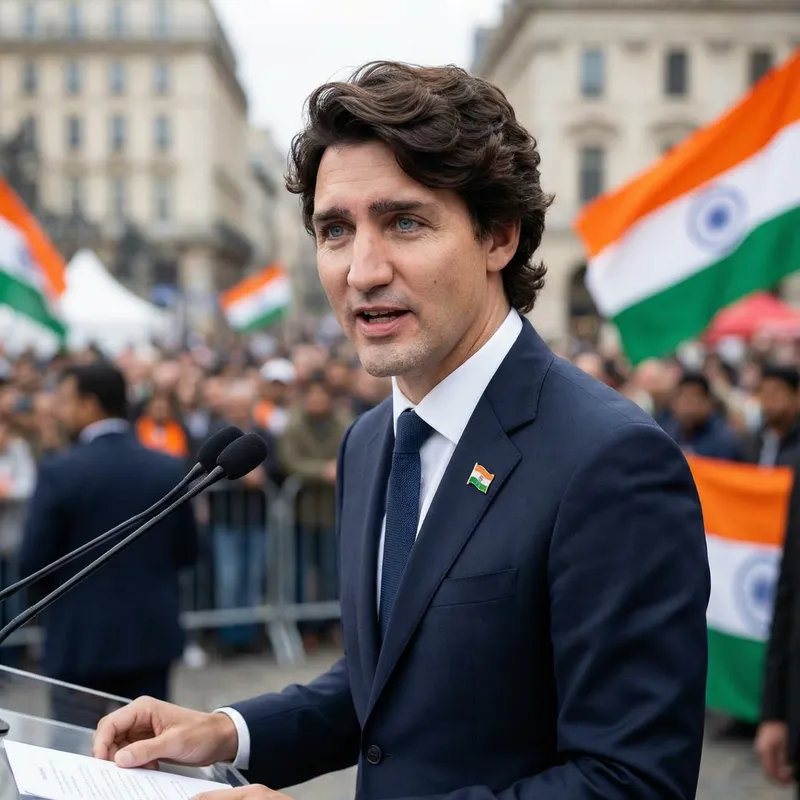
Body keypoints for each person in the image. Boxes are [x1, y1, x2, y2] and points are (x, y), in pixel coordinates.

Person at [93, 61, 710, 800]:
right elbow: (387, 683)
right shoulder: (370, 442)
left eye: (405, 222)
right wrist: (230, 731)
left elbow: (631, 782)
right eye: (335, 230)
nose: (362, 270)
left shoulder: (611, 461)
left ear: (499, 236)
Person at [19, 361, 198, 728]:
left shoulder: (61, 471)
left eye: (67, 400)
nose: (59, 409)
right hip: (148, 635)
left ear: (90, 404)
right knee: (145, 760)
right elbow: (190, 551)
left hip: (80, 640)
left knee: (75, 761)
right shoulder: (165, 468)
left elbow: (33, 562)